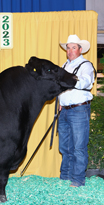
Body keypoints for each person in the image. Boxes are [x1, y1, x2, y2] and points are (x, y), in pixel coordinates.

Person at [58, 34, 95, 187]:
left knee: (79, 146)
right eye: (68, 48)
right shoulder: (64, 66)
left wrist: (70, 80)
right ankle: (65, 176)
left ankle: (78, 179)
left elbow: (87, 82)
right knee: (65, 146)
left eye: (74, 47)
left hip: (79, 109)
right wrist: (60, 101)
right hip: (65, 110)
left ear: (80, 50)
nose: (70, 50)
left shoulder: (86, 65)